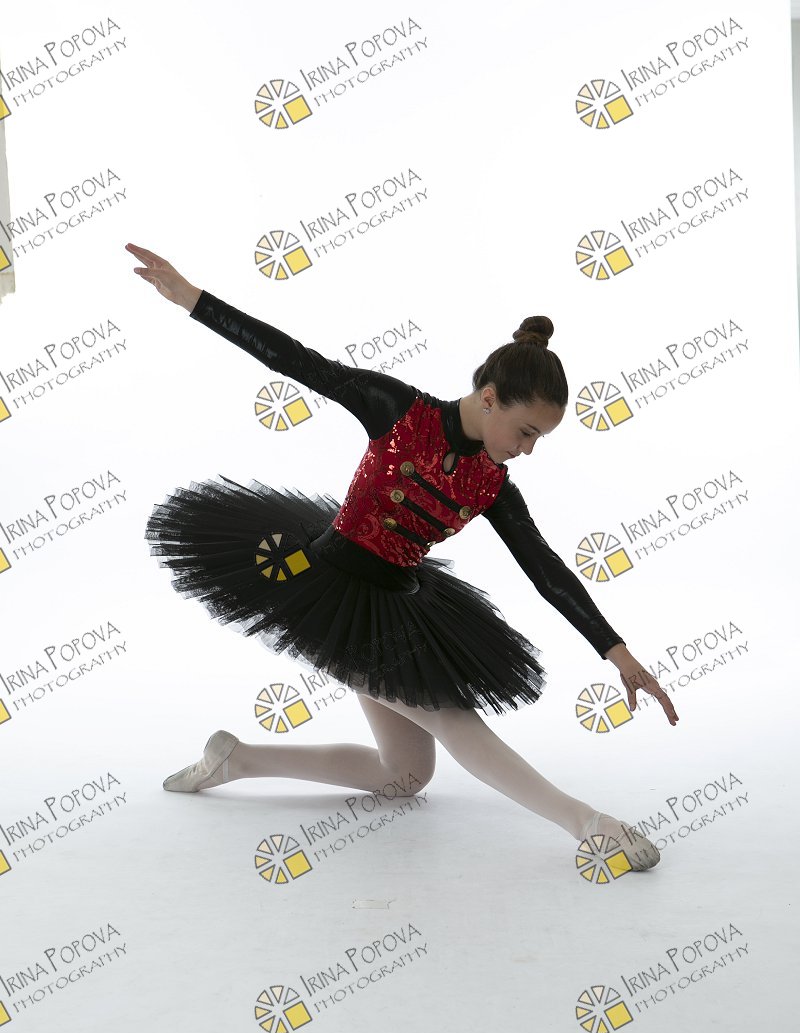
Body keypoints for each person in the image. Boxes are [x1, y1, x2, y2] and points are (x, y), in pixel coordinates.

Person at [127, 241, 678, 874]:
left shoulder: (494, 485)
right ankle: (590, 825)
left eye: (540, 440)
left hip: (398, 603)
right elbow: (297, 361)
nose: (528, 449)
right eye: (527, 432)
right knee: (455, 720)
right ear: (490, 397)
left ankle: (237, 759)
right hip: (330, 592)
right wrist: (193, 299)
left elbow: (545, 569)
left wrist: (616, 651)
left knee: (405, 774)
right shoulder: (399, 411)